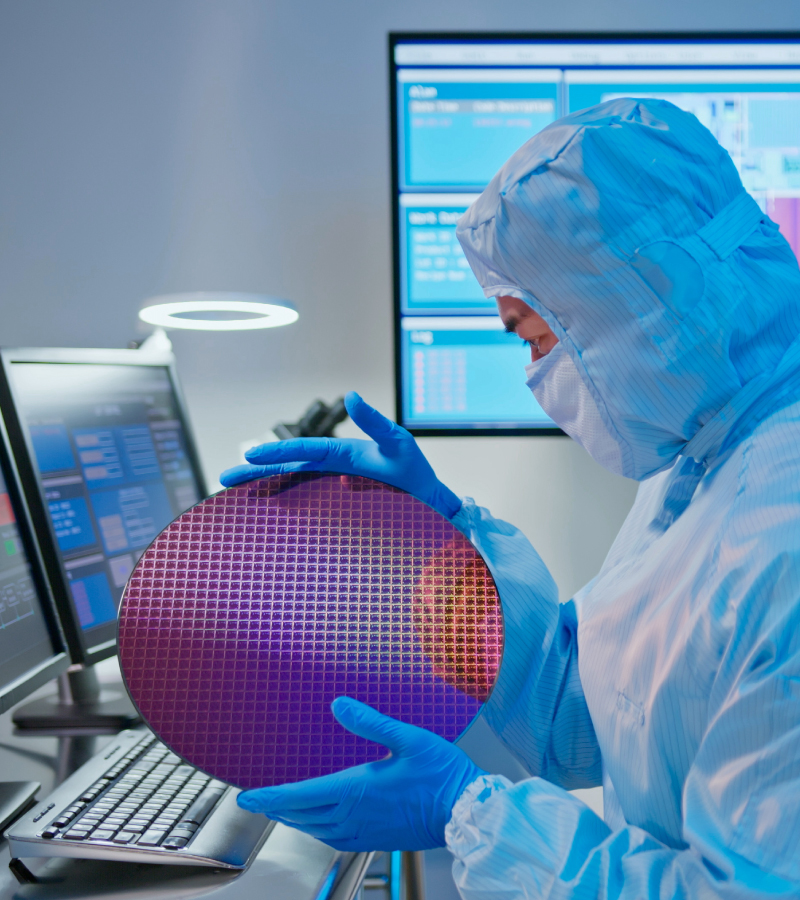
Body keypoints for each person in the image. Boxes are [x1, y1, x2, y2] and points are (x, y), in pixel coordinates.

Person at [221, 98, 800, 897]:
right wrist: (446, 535)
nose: (536, 377)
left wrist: (467, 811)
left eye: (535, 337)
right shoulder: (705, 457)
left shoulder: (779, 538)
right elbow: (587, 716)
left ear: (638, 306)